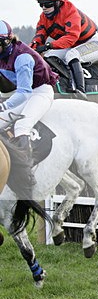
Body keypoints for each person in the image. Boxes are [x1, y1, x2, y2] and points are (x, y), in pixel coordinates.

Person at [0, 19, 60, 192]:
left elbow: (24, 92)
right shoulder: (3, 53)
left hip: (40, 93)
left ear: (4, 42)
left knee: (21, 125)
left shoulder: (22, 57)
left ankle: (25, 172)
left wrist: (3, 107)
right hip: (24, 95)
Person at [31, 0, 98, 99]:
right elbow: (40, 35)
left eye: (47, 4)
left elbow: (71, 38)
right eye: (41, 4)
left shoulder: (71, 12)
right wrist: (33, 48)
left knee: (72, 55)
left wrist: (48, 45)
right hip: (72, 46)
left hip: (93, 43)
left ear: (58, 3)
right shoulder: (44, 17)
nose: (44, 7)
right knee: (49, 56)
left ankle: (80, 91)